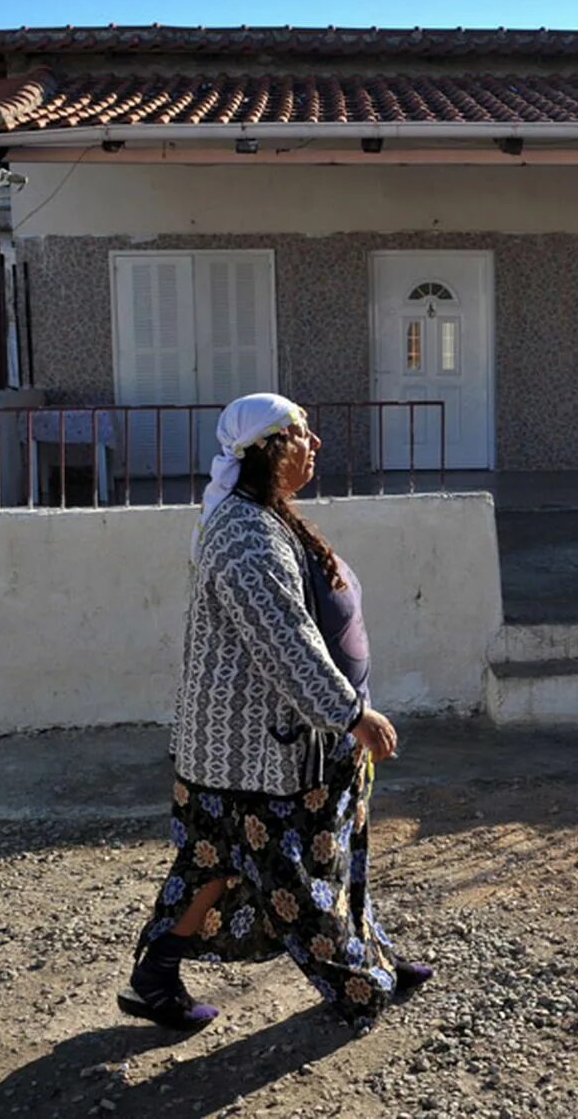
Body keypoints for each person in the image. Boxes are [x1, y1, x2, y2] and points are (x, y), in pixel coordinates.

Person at [120, 393, 433, 1031]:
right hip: (251, 752)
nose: (314, 444)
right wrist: (351, 715)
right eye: (301, 435)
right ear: (268, 448)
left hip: (267, 744)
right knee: (294, 873)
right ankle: (359, 983)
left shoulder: (263, 515)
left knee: (231, 859)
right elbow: (286, 642)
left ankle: (158, 978)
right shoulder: (243, 536)